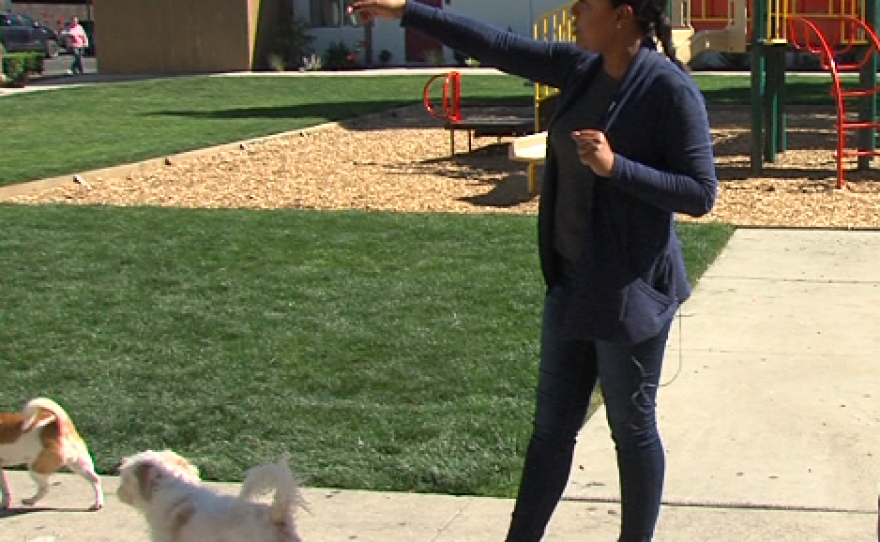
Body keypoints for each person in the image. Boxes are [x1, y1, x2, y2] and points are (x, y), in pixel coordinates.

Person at [349, 1, 717, 541]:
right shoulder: (581, 69)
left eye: (586, 4)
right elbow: (495, 44)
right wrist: (406, 10)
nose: (573, 12)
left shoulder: (667, 89)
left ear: (622, 15)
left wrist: (618, 168)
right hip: (571, 282)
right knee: (550, 431)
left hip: (627, 289)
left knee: (632, 430)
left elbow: (700, 193)